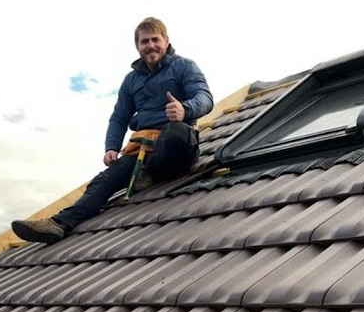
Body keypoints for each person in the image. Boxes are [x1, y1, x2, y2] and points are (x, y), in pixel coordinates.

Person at [11, 17, 214, 245]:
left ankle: (149, 174)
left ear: (166, 41)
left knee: (175, 133)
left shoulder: (184, 67)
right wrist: (112, 147)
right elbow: (119, 117)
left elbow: (204, 97)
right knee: (104, 181)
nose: (150, 46)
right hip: (144, 151)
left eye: (155, 40)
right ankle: (58, 224)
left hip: (178, 147)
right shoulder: (131, 80)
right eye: (144, 42)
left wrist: (185, 109)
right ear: (137, 46)